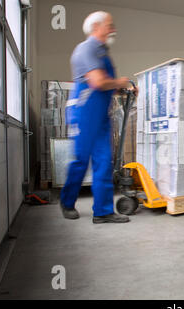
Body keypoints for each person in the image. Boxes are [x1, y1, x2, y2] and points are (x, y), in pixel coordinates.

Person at [60, 11, 137, 224]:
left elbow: (108, 87)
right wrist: (120, 82)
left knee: (104, 161)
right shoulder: (86, 49)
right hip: (84, 111)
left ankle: (103, 212)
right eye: (109, 25)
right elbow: (97, 82)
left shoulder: (103, 53)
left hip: (101, 113)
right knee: (81, 160)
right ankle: (67, 202)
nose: (113, 29)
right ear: (96, 27)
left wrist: (125, 90)